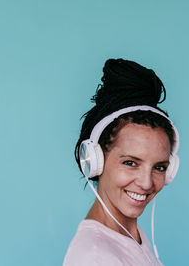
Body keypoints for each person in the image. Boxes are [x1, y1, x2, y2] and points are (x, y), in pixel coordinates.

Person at [63, 58, 180, 266]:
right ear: (95, 160)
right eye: (130, 163)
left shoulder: (130, 236)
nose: (146, 183)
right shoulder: (95, 258)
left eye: (159, 167)